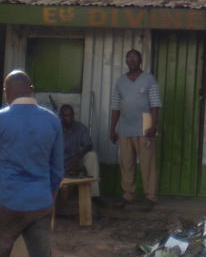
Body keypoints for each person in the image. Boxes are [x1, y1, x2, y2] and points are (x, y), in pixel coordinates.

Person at [0, 70, 62, 257]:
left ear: (7, 93)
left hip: (7, 202)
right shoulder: (52, 120)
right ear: (32, 89)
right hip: (40, 202)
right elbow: (57, 170)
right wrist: (49, 197)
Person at [109, 49, 160, 208]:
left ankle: (150, 197)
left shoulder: (149, 79)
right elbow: (116, 106)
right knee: (126, 163)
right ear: (126, 62)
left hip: (145, 123)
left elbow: (155, 105)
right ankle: (128, 194)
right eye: (128, 58)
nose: (131, 61)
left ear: (140, 61)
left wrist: (152, 125)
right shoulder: (121, 82)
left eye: (134, 58)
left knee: (147, 163)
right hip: (125, 125)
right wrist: (112, 128)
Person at [58, 104, 99, 199]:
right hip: (60, 165)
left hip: (76, 162)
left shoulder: (80, 128)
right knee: (64, 195)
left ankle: (93, 195)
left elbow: (89, 145)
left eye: (71, 115)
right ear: (61, 116)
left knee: (92, 155)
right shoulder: (55, 128)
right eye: (66, 116)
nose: (69, 118)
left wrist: (77, 157)